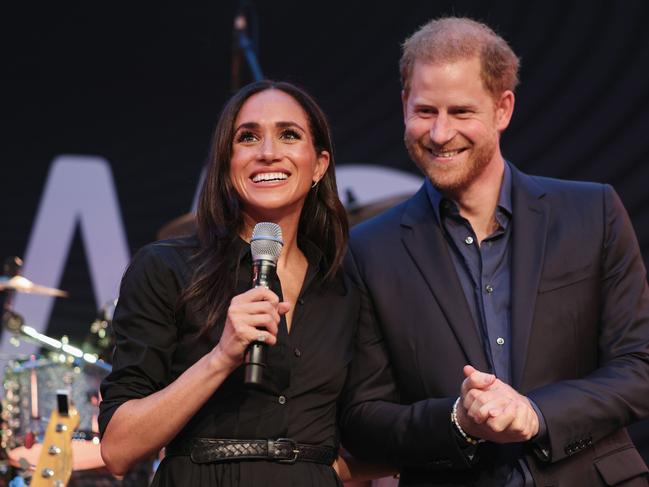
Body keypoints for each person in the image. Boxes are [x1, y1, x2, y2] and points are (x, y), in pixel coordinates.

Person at [340, 16, 649, 487]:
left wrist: (535, 412)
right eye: (425, 111)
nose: (440, 134)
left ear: (503, 109)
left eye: (461, 112)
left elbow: (639, 367)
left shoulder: (593, 212)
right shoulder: (369, 249)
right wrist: (458, 421)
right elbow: (363, 418)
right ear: (404, 104)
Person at [99, 80, 358, 486]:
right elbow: (118, 449)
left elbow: (373, 426)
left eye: (289, 135)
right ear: (226, 162)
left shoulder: (344, 286)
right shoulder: (165, 268)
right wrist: (221, 357)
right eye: (248, 137)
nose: (268, 152)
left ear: (319, 164)